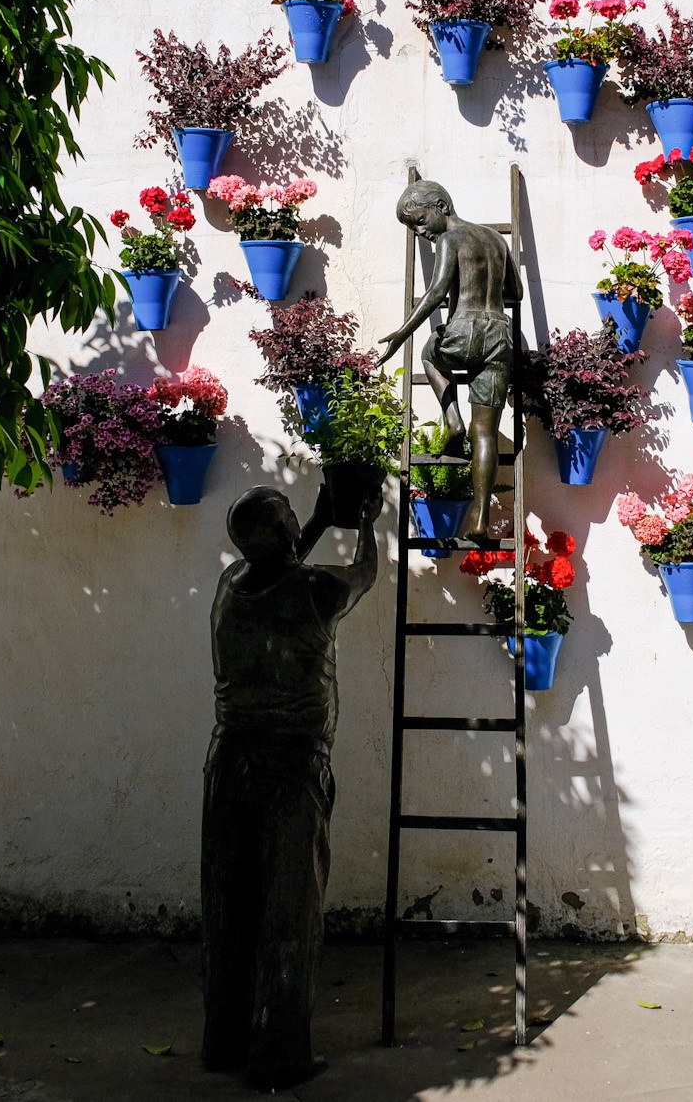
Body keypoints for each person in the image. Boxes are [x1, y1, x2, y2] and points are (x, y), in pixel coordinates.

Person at [201, 484, 379, 1090]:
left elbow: (273, 566)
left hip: (228, 764)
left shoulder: (230, 587)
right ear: (280, 532)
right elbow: (362, 575)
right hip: (290, 768)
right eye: (290, 520)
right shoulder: (318, 591)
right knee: (288, 909)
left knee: (229, 906)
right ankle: (280, 1054)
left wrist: (320, 519)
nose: (295, 524)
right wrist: (365, 524)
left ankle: (224, 1042)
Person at [374, 178, 520, 538]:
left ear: (442, 206)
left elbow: (436, 290)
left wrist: (400, 333)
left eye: (420, 221)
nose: (420, 231)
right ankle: (480, 520)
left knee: (428, 353)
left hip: (465, 329)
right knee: (484, 431)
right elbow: (514, 292)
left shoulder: (449, 239)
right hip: (500, 335)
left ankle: (452, 421)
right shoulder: (496, 239)